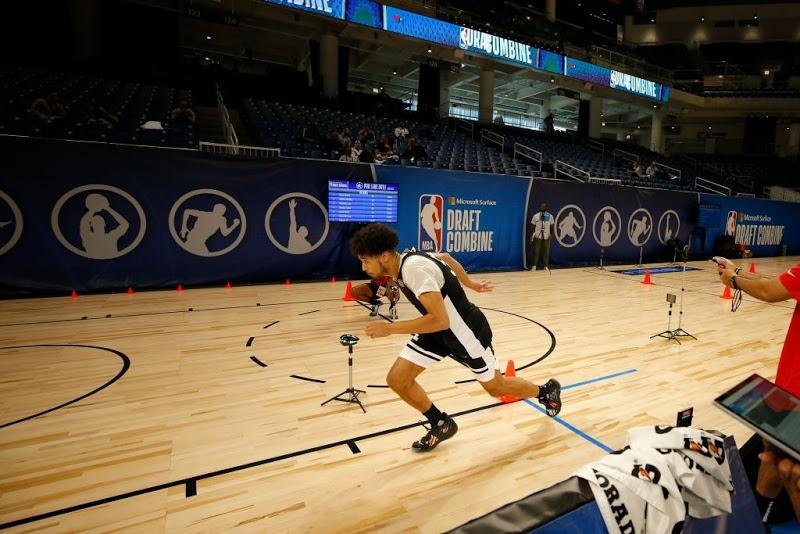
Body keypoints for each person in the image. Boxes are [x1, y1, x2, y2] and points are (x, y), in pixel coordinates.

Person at [350, 223, 562, 452]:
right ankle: (440, 423)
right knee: (397, 379)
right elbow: (446, 257)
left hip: (466, 333)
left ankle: (545, 391)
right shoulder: (407, 261)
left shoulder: (413, 269)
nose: (363, 267)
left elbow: (441, 320)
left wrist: (390, 329)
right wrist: (470, 284)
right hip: (437, 332)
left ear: (384, 256)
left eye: (366, 261)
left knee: (496, 387)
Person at [716, 257, 800, 523]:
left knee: (769, 475)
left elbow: (768, 291)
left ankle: (755, 521)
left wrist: (733, 280)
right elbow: (776, 283)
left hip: (793, 396)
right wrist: (738, 271)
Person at [529, 202, 554, 271]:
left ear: (546, 208)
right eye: (541, 206)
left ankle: (545, 266)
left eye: (544, 206)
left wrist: (551, 234)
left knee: (546, 251)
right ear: (539, 207)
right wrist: (531, 235)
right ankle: (534, 266)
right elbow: (532, 226)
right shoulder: (535, 216)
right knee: (536, 251)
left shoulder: (550, 216)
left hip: (547, 236)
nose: (542, 207)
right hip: (538, 236)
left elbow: (552, 226)